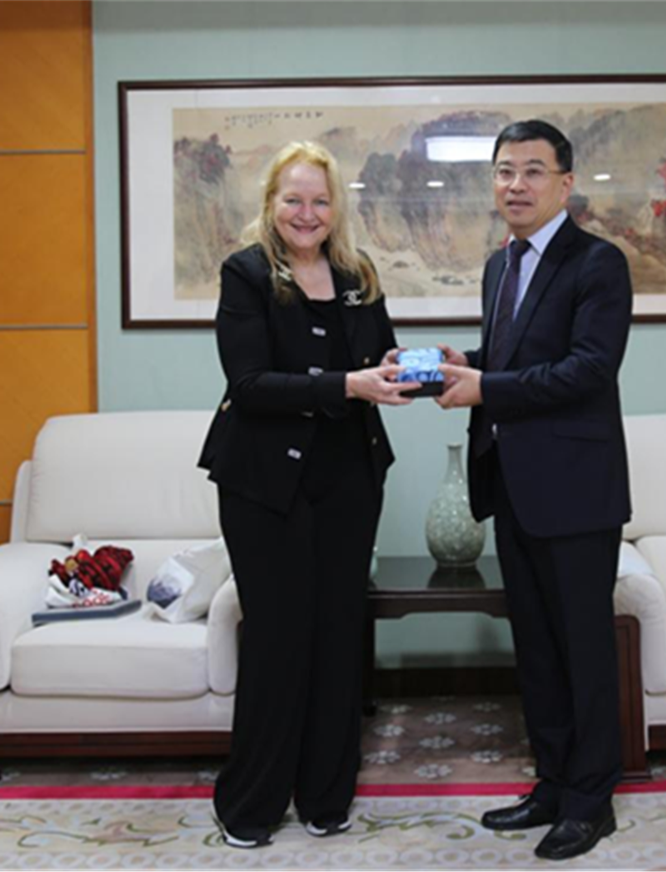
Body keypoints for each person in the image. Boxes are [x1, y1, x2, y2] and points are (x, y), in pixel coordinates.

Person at [197, 141, 417, 848]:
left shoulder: (358, 274)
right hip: (265, 486)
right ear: (271, 203)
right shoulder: (246, 274)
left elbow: (376, 356)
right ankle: (251, 804)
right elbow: (250, 385)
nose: (306, 213)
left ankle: (327, 796)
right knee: (278, 640)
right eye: (293, 199)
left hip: (349, 479)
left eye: (320, 201)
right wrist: (348, 384)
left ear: (336, 208)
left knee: (338, 636)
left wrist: (394, 371)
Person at [436, 120, 633, 862]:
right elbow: (515, 358)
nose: (514, 185)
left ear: (564, 183)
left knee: (583, 652)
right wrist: (466, 364)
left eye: (531, 171)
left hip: (576, 492)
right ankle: (551, 784)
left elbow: (588, 369)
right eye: (503, 171)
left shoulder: (598, 263)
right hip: (513, 484)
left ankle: (590, 801)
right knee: (538, 652)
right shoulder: (501, 265)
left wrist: (486, 386)